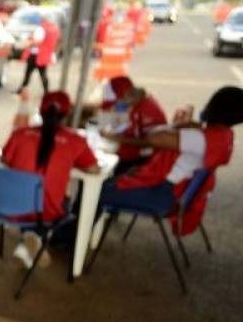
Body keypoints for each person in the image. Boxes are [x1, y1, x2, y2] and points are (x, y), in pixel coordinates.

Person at [100, 86, 242, 234]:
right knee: (107, 181)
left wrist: (179, 125)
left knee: (93, 193)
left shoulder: (200, 137)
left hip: (161, 192)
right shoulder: (224, 135)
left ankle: (78, 241)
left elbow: (152, 137)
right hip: (174, 191)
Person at [2, 91, 100, 267]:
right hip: (47, 211)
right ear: (67, 114)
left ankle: (29, 241)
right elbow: (94, 169)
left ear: (40, 111)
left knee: (35, 196)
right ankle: (36, 238)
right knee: (65, 203)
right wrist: (68, 163)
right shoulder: (75, 141)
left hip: (11, 205)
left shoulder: (20, 134)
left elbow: (5, 159)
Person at [96, 76, 168, 175]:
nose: (115, 105)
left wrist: (116, 138)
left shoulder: (149, 109)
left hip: (143, 163)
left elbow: (153, 142)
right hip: (123, 155)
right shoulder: (129, 104)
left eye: (117, 101)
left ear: (127, 94)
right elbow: (107, 122)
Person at [16, 12, 60, 94]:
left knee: (29, 73)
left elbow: (37, 41)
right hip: (45, 54)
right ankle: (46, 91)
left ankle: (22, 89)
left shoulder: (41, 28)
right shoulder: (54, 28)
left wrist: (29, 43)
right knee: (42, 73)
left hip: (36, 54)